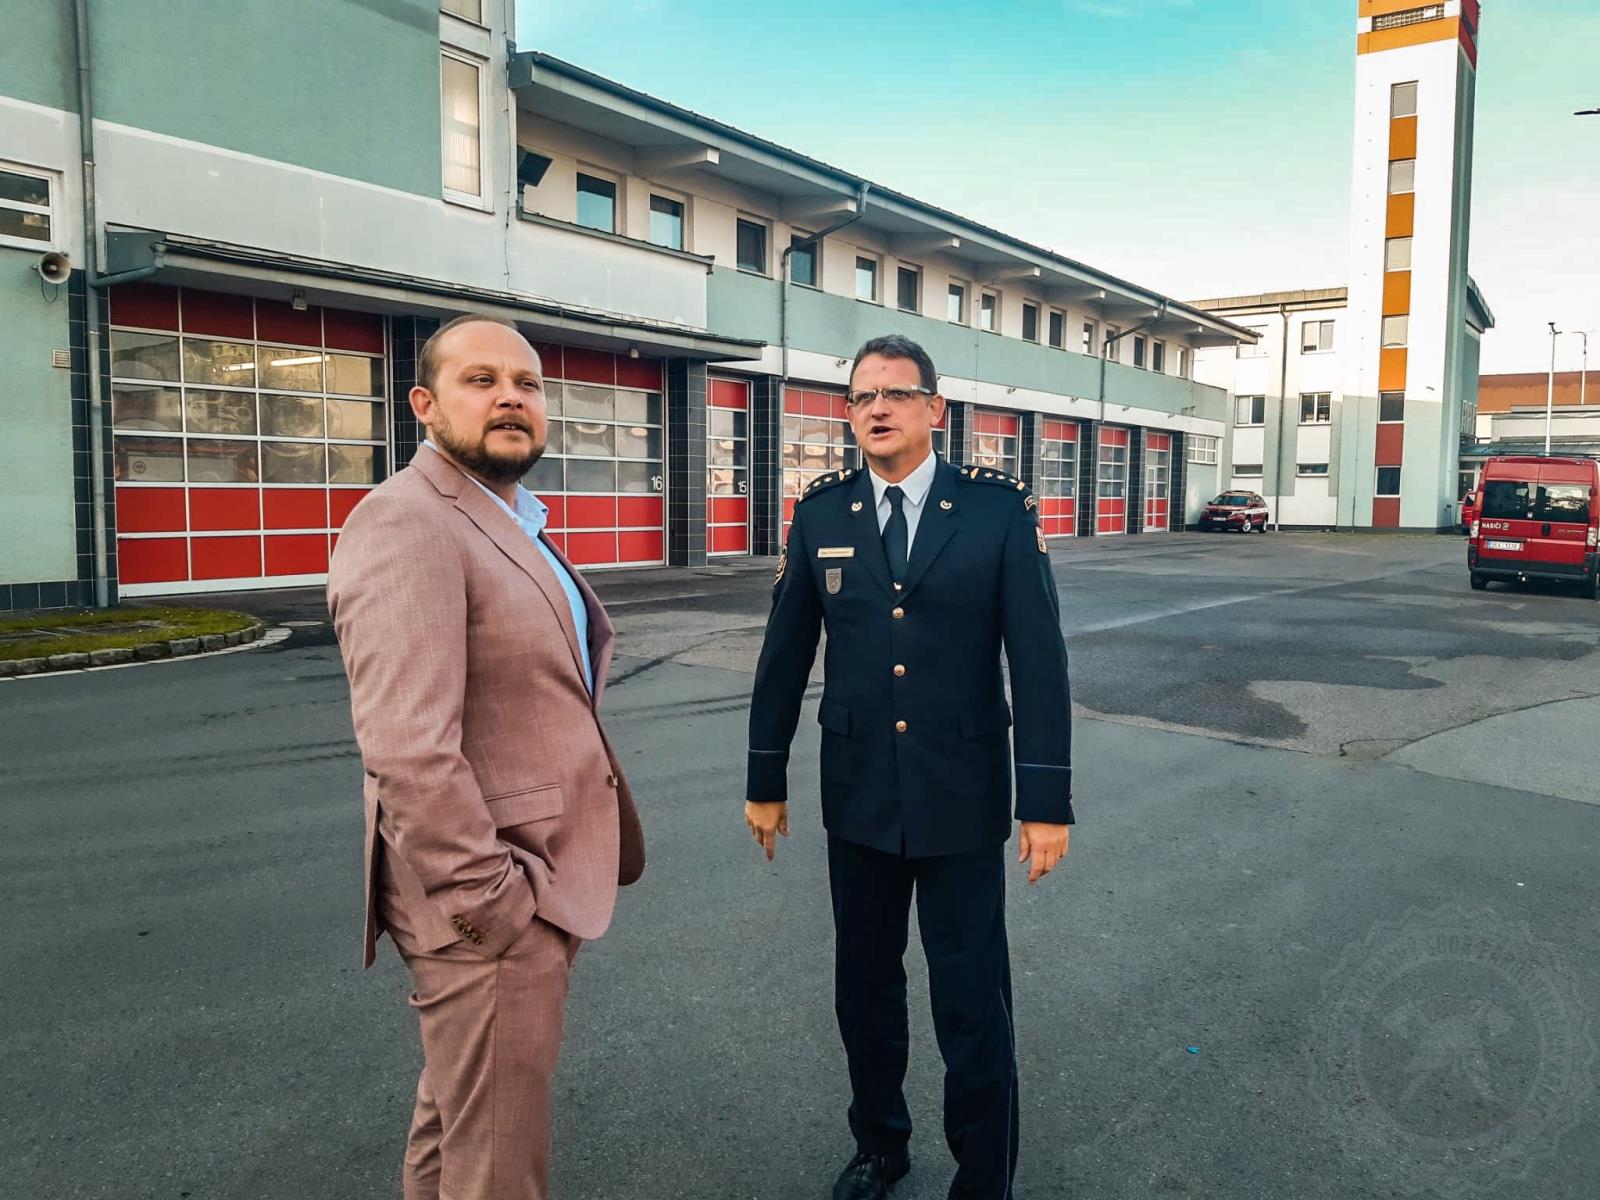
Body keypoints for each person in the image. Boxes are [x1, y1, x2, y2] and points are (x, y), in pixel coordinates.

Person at [744, 334, 1075, 1200]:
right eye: (862, 396)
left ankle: (983, 1176)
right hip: (858, 795)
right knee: (865, 990)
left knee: (971, 999)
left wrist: (1045, 801)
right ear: (849, 414)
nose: (877, 408)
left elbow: (1039, 661)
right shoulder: (822, 512)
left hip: (963, 795)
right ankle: (879, 1144)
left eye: (896, 393)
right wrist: (764, 778)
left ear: (935, 409)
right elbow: (784, 655)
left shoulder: (997, 511)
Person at [328, 314, 644, 1200]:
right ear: (424, 405)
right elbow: (407, 748)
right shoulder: (407, 522)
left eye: (527, 383)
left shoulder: (509, 518)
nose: (510, 396)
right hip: (491, 904)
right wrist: (491, 906)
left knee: (458, 1130)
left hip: (533, 881)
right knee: (499, 1166)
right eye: (481, 380)